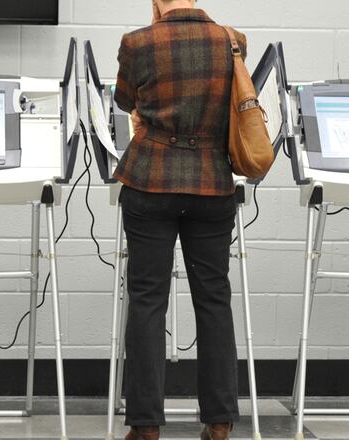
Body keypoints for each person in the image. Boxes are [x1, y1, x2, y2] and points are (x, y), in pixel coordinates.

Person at [113, 0, 247, 439]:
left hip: (151, 179)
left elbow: (123, 100)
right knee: (214, 301)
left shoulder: (137, 43)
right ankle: (220, 421)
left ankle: (146, 425)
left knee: (148, 301)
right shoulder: (232, 41)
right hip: (212, 182)